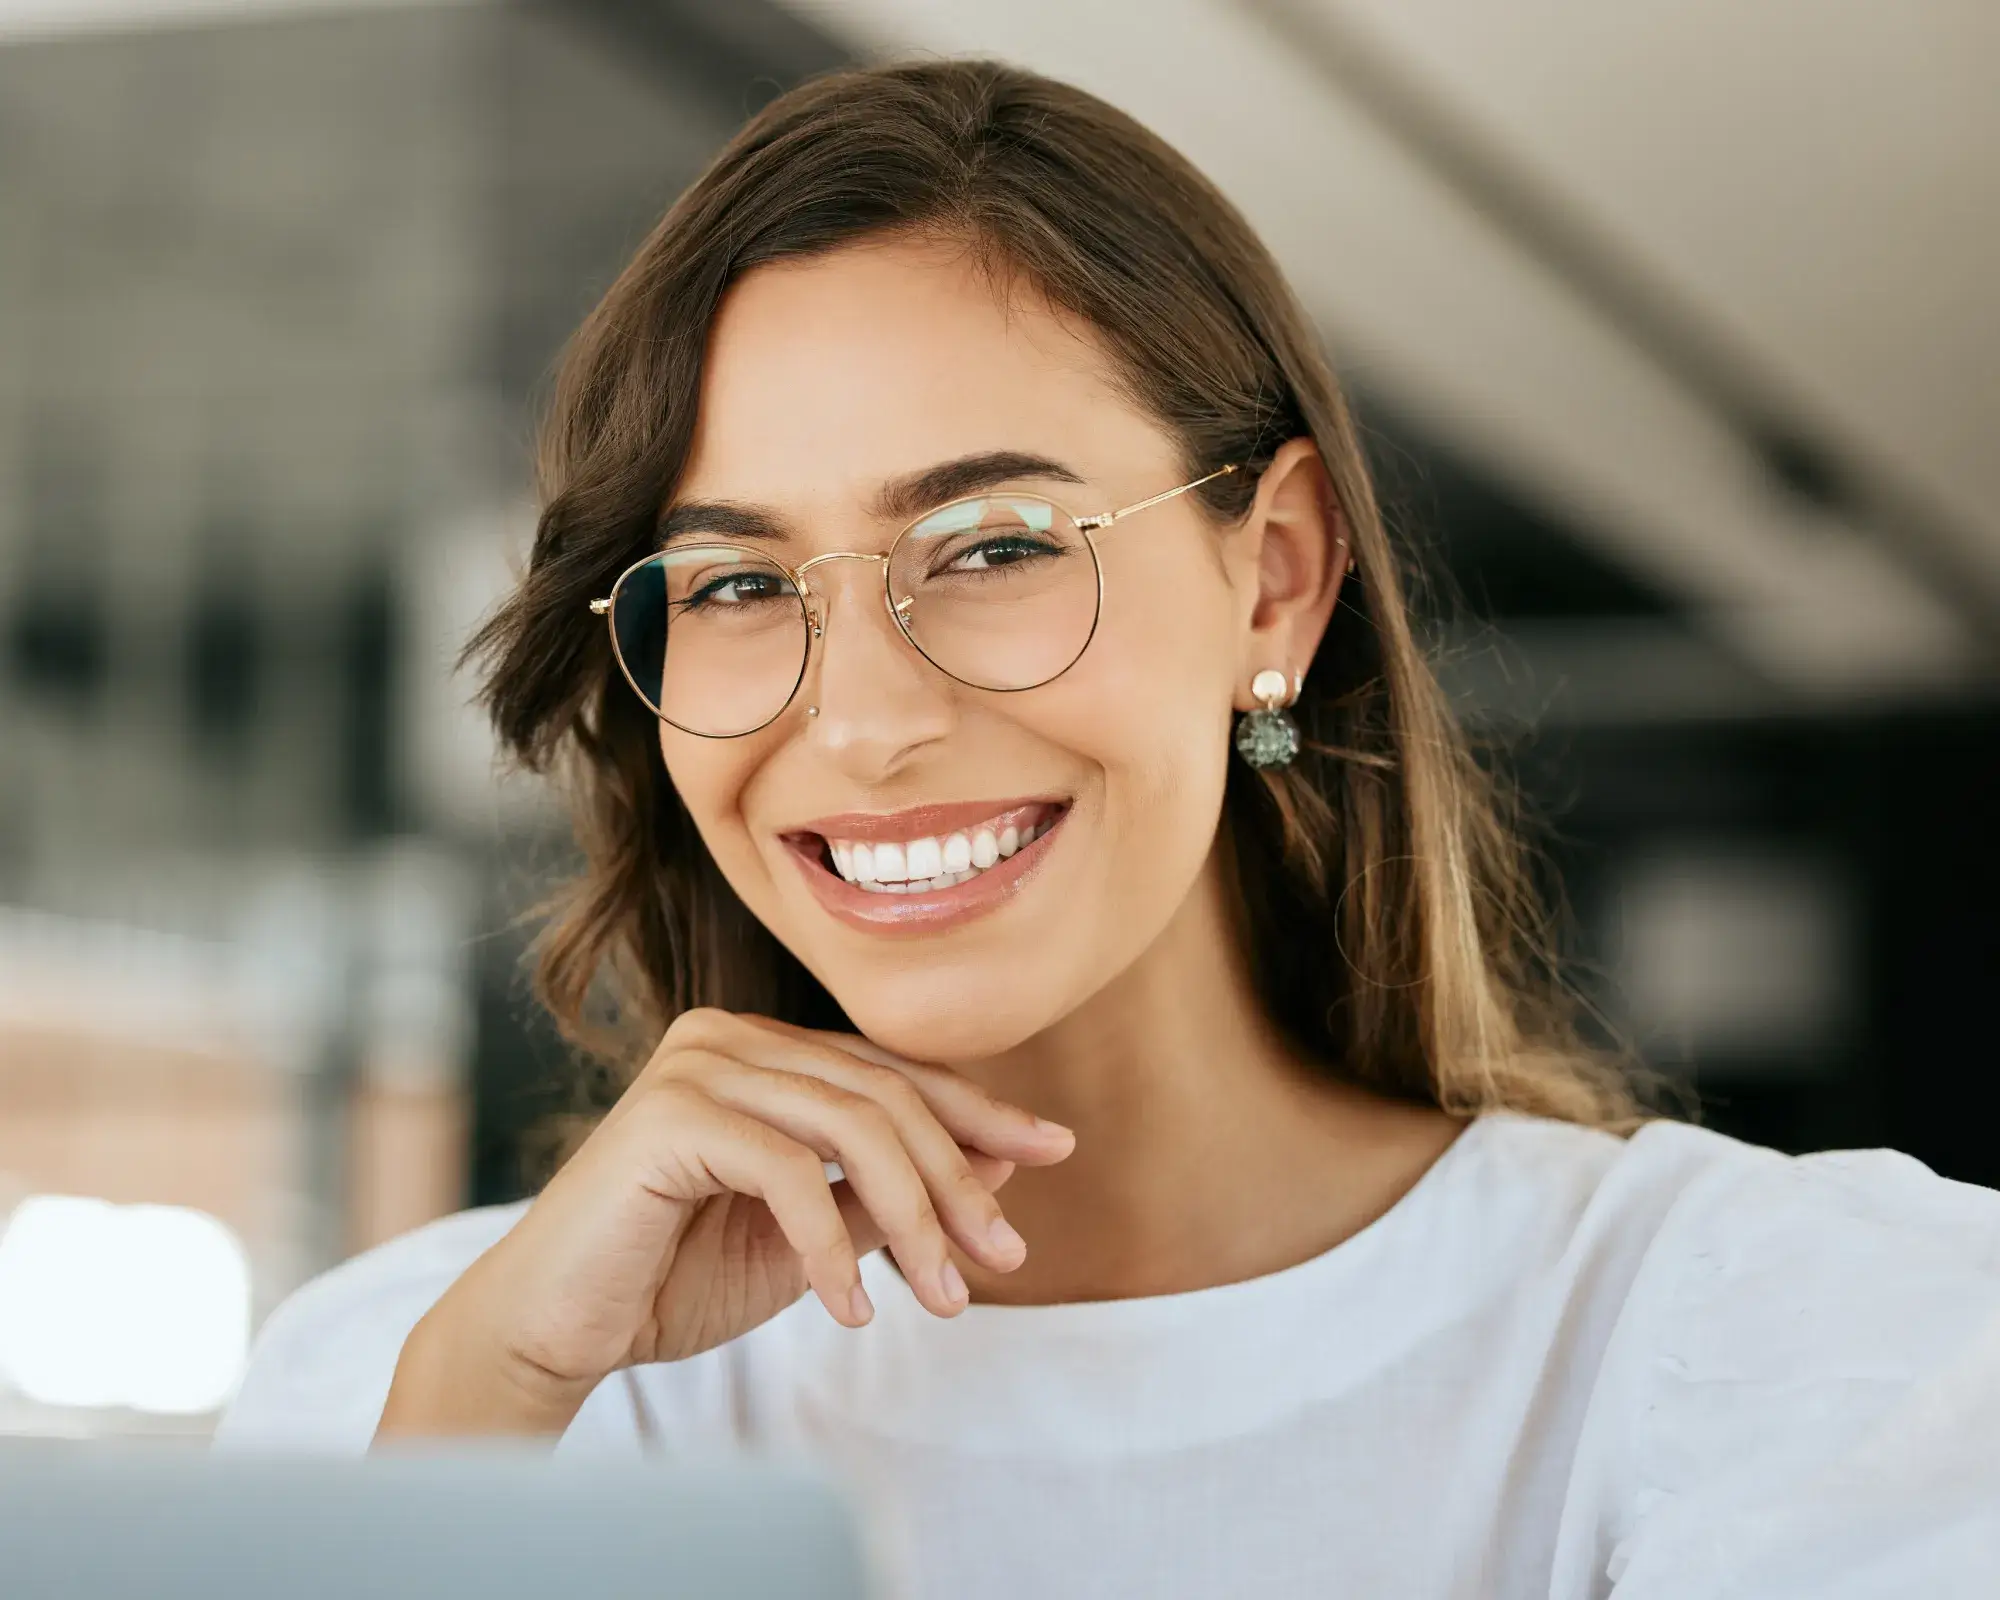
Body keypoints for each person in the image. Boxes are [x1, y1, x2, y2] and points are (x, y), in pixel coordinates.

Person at [216, 60, 2000, 1598]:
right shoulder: (428, 1378)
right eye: (739, 580)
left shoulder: (1763, 1343)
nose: (859, 720)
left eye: (994, 549)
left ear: (1276, 581)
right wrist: (478, 1422)